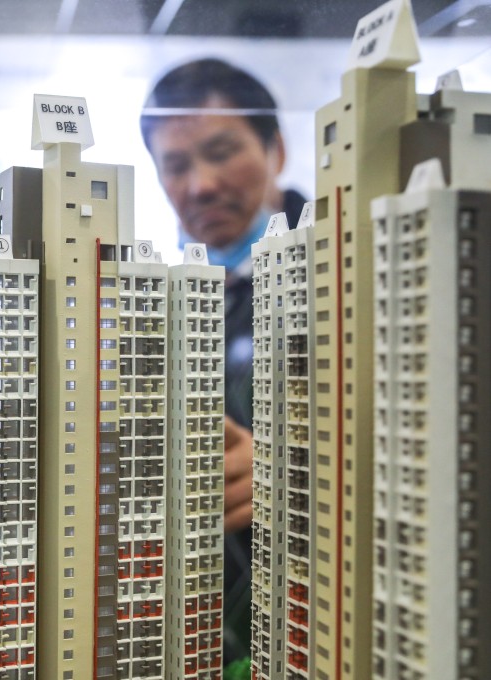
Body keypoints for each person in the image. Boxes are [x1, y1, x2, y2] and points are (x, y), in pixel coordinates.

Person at [139, 58, 307, 662]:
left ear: (276, 150)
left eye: (222, 151)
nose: (201, 184)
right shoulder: (159, 304)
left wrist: (295, 481)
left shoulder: (348, 271)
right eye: (176, 165)